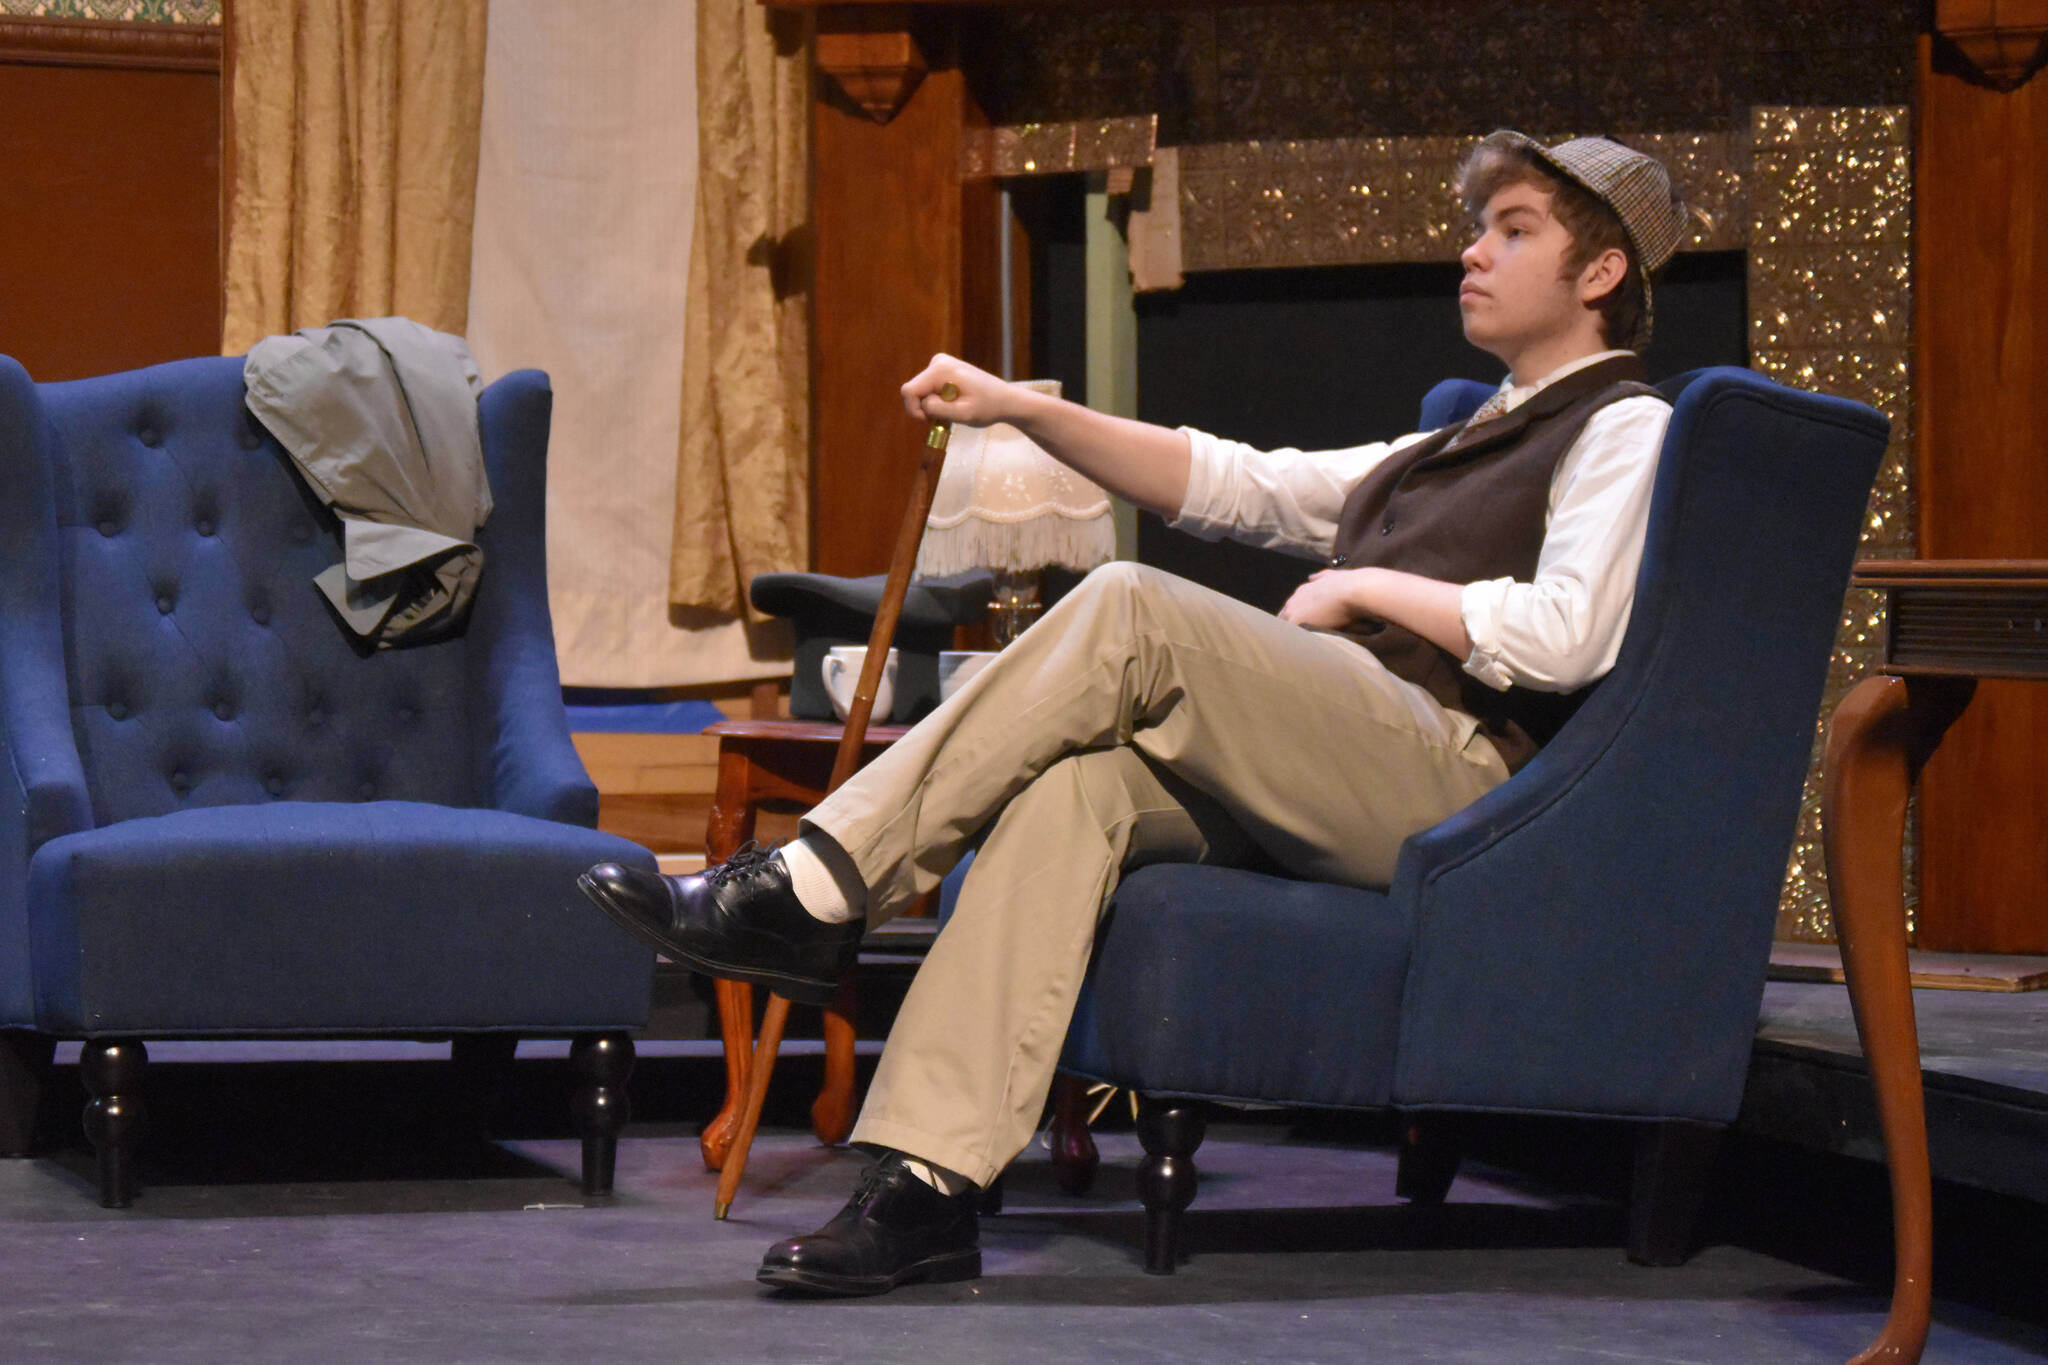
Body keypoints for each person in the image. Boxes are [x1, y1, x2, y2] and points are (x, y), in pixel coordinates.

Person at [578, 130, 1689, 1297]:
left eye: (1514, 231)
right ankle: (926, 1186)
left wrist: (1364, 584)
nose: (1473, 252)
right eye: (1480, 227)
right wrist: (1019, 408)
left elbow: (1567, 635)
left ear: (1599, 273)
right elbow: (1227, 481)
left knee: (1128, 604)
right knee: (1075, 790)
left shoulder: (1623, 428)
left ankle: (815, 887)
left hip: (1464, 792)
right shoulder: (1450, 440)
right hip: (1357, 762)